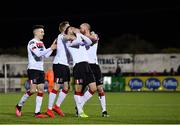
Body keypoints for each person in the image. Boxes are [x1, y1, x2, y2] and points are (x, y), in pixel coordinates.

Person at [15, 25, 57, 118]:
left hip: (40, 70)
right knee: (33, 90)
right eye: (41, 31)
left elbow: (45, 55)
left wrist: (53, 48)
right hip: (33, 69)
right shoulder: (32, 43)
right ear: (36, 32)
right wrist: (50, 48)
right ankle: (19, 106)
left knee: (41, 89)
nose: (43, 33)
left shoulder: (41, 43)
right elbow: (38, 54)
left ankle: (37, 113)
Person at [65, 26, 97, 117]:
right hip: (78, 66)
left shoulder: (79, 38)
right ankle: (80, 111)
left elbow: (90, 42)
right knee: (78, 89)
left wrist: (79, 34)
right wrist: (79, 34)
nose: (73, 29)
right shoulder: (68, 41)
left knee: (93, 88)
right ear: (68, 32)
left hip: (87, 65)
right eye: (71, 29)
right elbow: (78, 41)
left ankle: (79, 106)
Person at [79, 23, 109, 117]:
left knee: (100, 88)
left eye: (81, 27)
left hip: (94, 65)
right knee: (84, 89)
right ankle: (79, 107)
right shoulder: (79, 38)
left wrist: (85, 36)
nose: (80, 29)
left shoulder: (94, 35)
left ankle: (104, 111)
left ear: (86, 28)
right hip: (85, 65)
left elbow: (94, 39)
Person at [46, 21, 71, 118]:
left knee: (66, 87)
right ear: (64, 29)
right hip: (59, 64)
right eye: (68, 27)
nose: (70, 28)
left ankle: (56, 106)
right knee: (56, 86)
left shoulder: (65, 38)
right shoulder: (61, 36)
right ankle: (49, 109)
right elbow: (67, 37)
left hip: (65, 65)